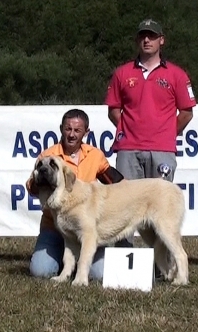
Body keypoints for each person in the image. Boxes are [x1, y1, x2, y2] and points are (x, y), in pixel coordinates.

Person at [105, 19, 196, 246]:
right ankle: (123, 259)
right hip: (128, 150)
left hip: (162, 150)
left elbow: (186, 112)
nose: (147, 40)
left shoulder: (176, 74)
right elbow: (114, 110)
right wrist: (130, 128)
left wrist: (165, 133)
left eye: (152, 36)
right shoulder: (122, 72)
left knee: (160, 209)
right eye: (143, 36)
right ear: (138, 40)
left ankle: (161, 265)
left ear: (161, 40)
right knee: (123, 207)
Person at [26, 109, 124, 280]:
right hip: (54, 228)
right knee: (41, 271)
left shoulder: (95, 156)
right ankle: (65, 262)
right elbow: (32, 189)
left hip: (86, 229)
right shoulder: (47, 157)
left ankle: (74, 262)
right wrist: (40, 176)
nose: (71, 134)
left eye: (77, 130)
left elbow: (116, 182)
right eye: (67, 129)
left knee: (100, 274)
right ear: (61, 129)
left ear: (86, 132)